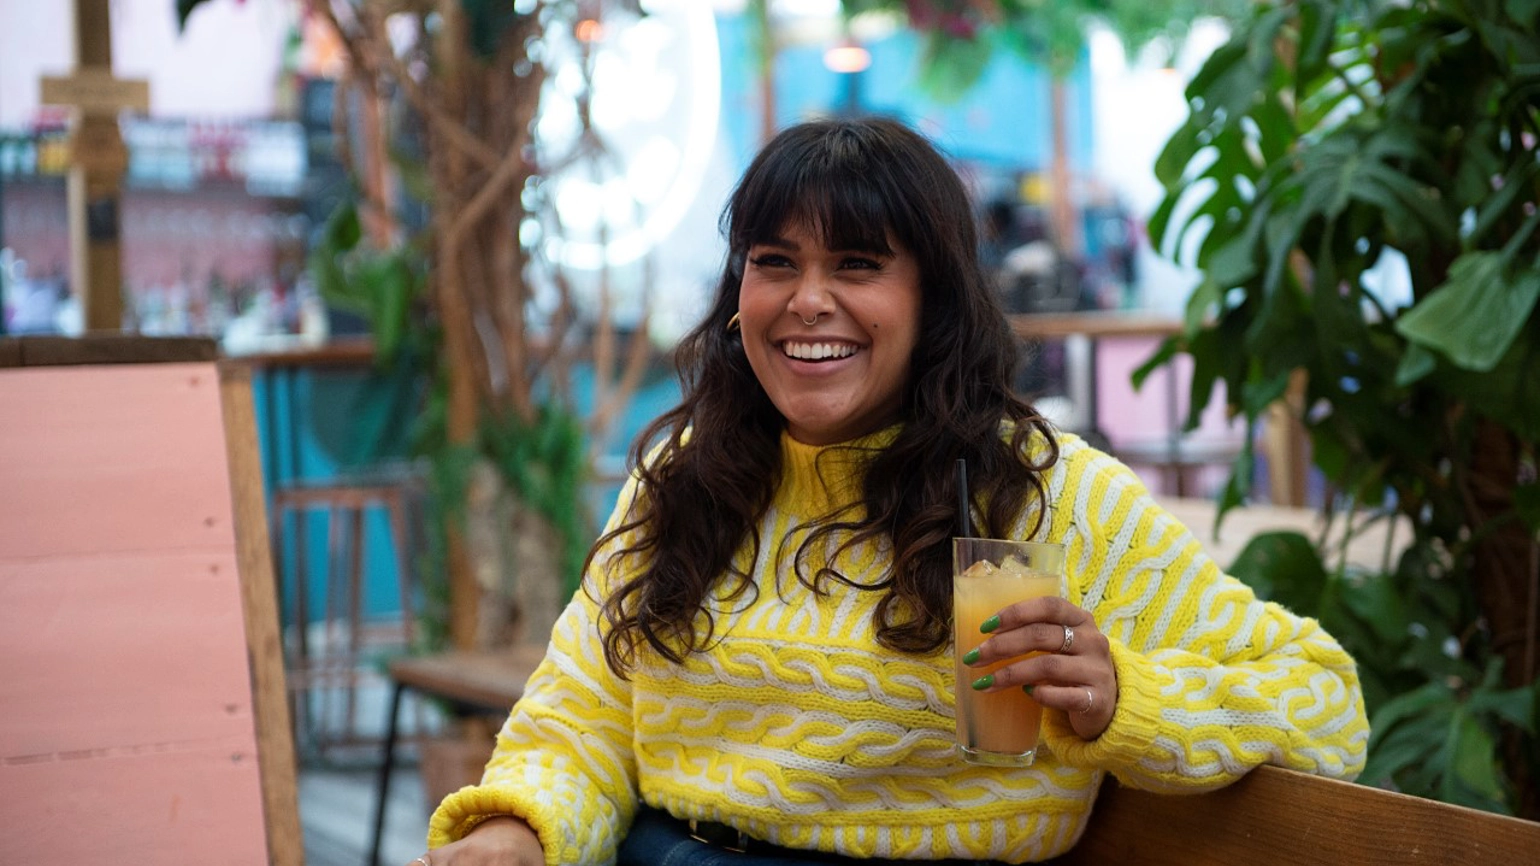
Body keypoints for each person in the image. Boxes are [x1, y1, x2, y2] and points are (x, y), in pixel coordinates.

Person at [412, 118, 1368, 866]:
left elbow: (1323, 702)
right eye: (774, 262)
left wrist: (1125, 698)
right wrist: (521, 830)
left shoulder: (1040, 495)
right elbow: (583, 718)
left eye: (857, 266)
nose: (807, 301)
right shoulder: (687, 476)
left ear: (934, 299)